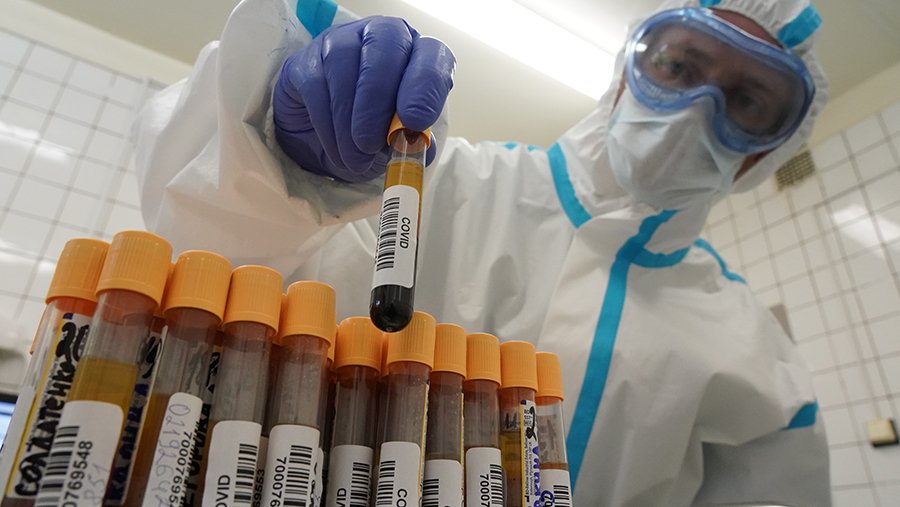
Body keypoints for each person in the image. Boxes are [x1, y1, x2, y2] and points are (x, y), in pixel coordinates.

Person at [134, 0, 832, 504]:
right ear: (625, 75)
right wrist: (279, 164)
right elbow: (205, 277)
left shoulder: (757, 358)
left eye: (747, 101)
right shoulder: (426, 183)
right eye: (678, 65)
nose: (698, 107)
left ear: (765, 153)